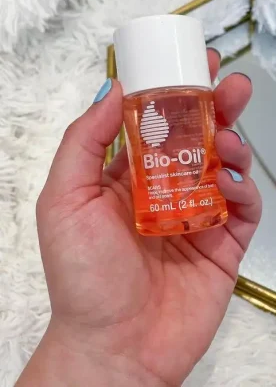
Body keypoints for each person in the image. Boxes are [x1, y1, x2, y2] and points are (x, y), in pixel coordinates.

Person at [16, 49, 262, 386]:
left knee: (206, 156)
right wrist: (90, 343)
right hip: (110, 324)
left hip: (199, 219)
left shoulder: (194, 97)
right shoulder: (138, 103)